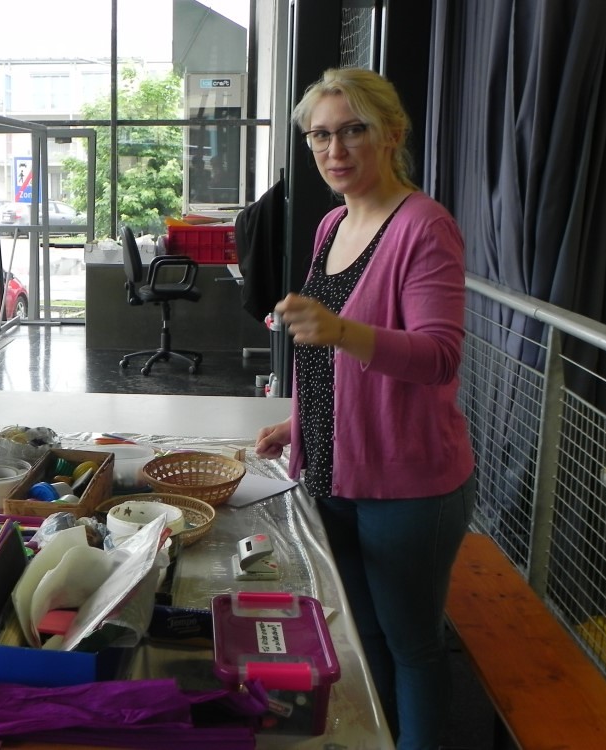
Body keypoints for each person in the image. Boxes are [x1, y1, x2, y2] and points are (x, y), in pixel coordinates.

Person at [254, 68, 475, 750]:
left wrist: (341, 329)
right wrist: (298, 424)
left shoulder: (424, 227)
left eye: (353, 130)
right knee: (363, 630)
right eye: (320, 135)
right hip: (333, 469)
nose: (335, 149)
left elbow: (439, 356)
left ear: (392, 134)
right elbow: (333, 364)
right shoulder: (333, 223)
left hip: (406, 485)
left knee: (413, 644)